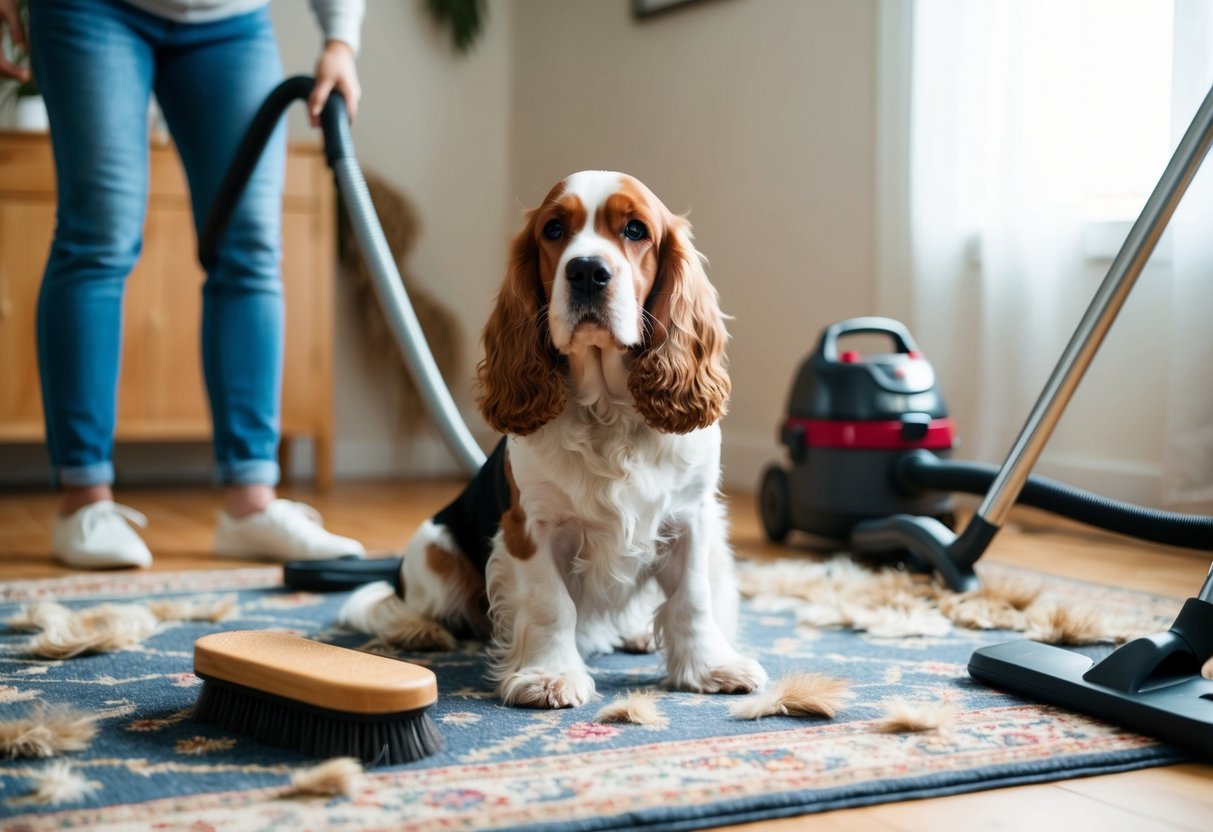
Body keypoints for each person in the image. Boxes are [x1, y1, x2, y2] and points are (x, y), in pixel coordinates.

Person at [0, 0, 367, 568]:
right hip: (90, 10)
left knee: (251, 250)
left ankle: (250, 503)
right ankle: (83, 500)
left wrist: (341, 38)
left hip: (230, 20)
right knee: (98, 236)